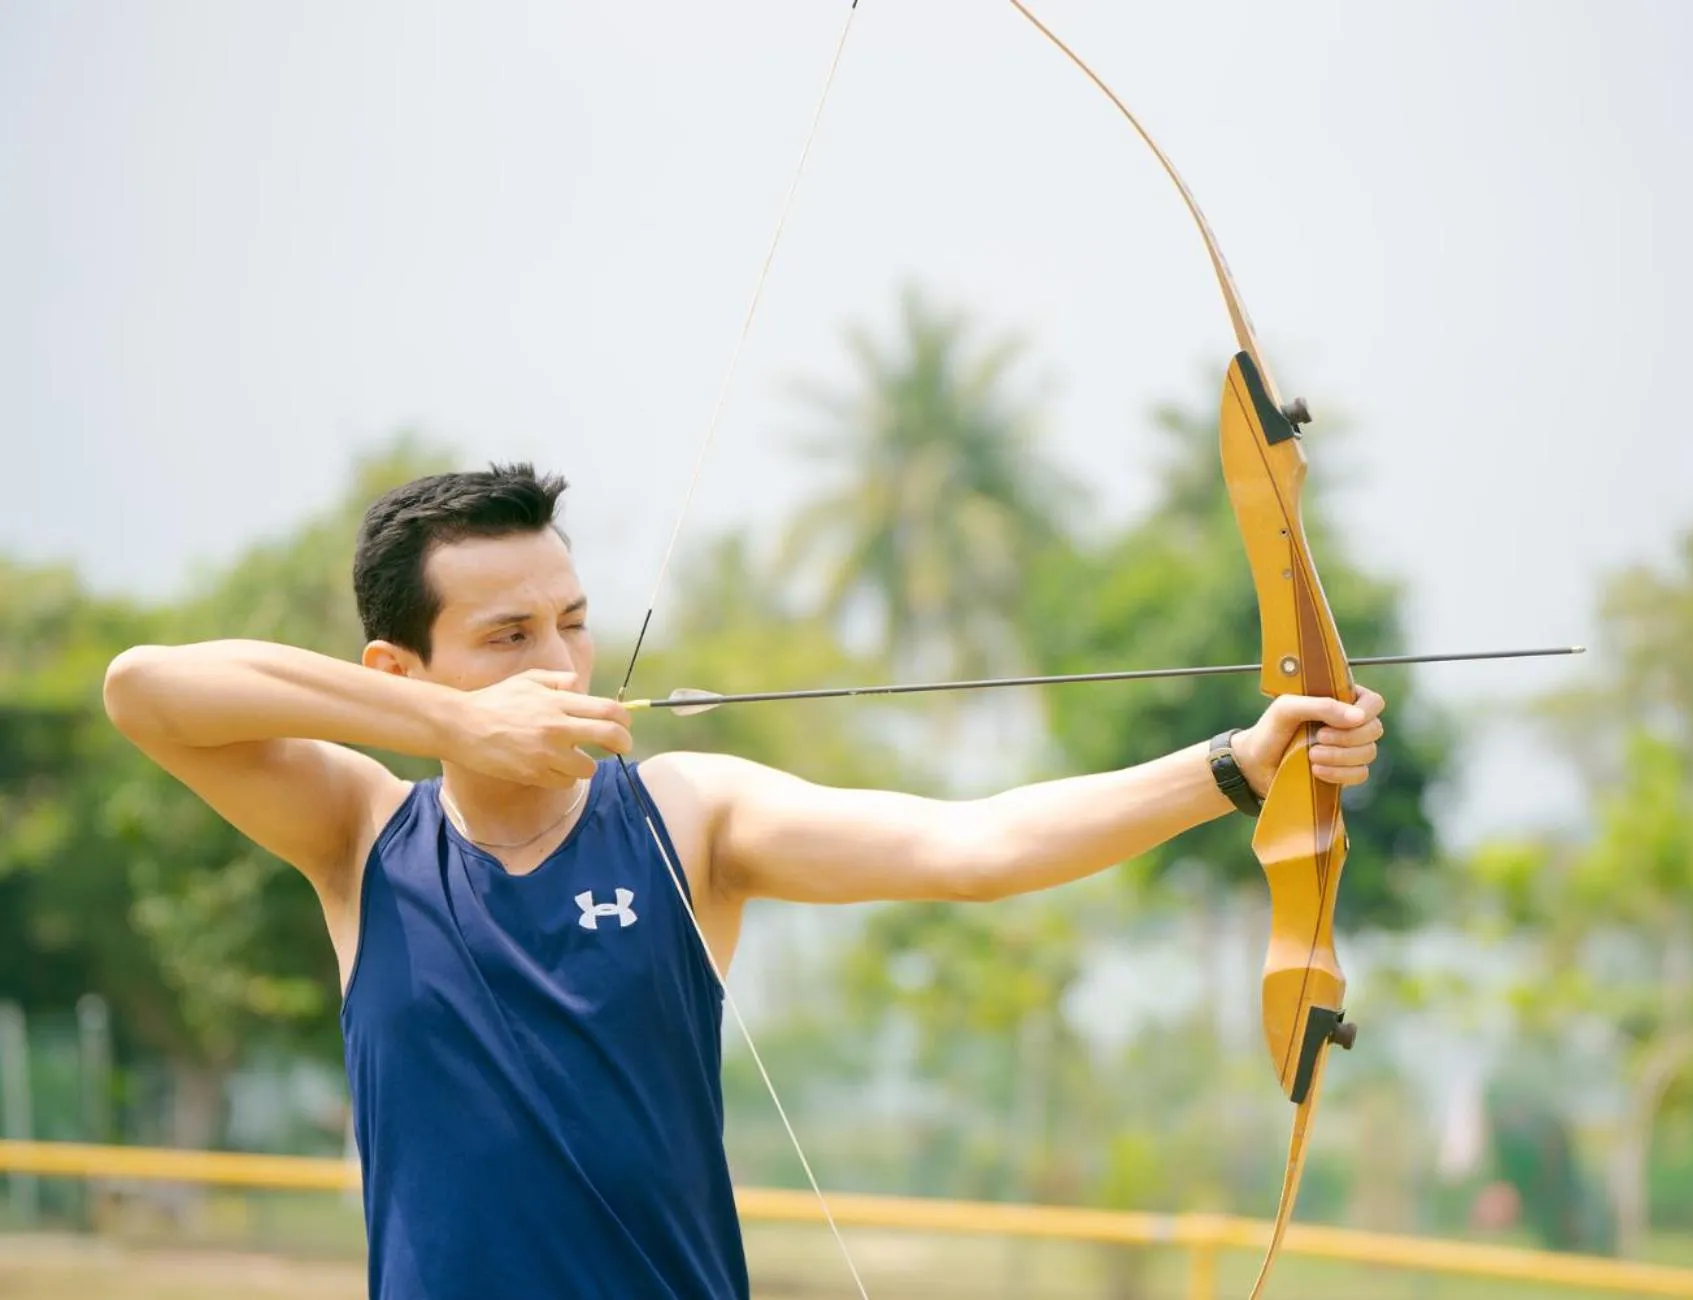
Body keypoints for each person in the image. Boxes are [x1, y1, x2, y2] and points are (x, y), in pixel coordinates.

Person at [101, 463, 1388, 1300]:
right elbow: (145, 689)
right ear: (399, 668)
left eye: (571, 620)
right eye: (505, 638)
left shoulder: (687, 814)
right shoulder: (359, 834)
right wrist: (449, 732)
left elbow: (975, 846)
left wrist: (1237, 761)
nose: (558, 661)